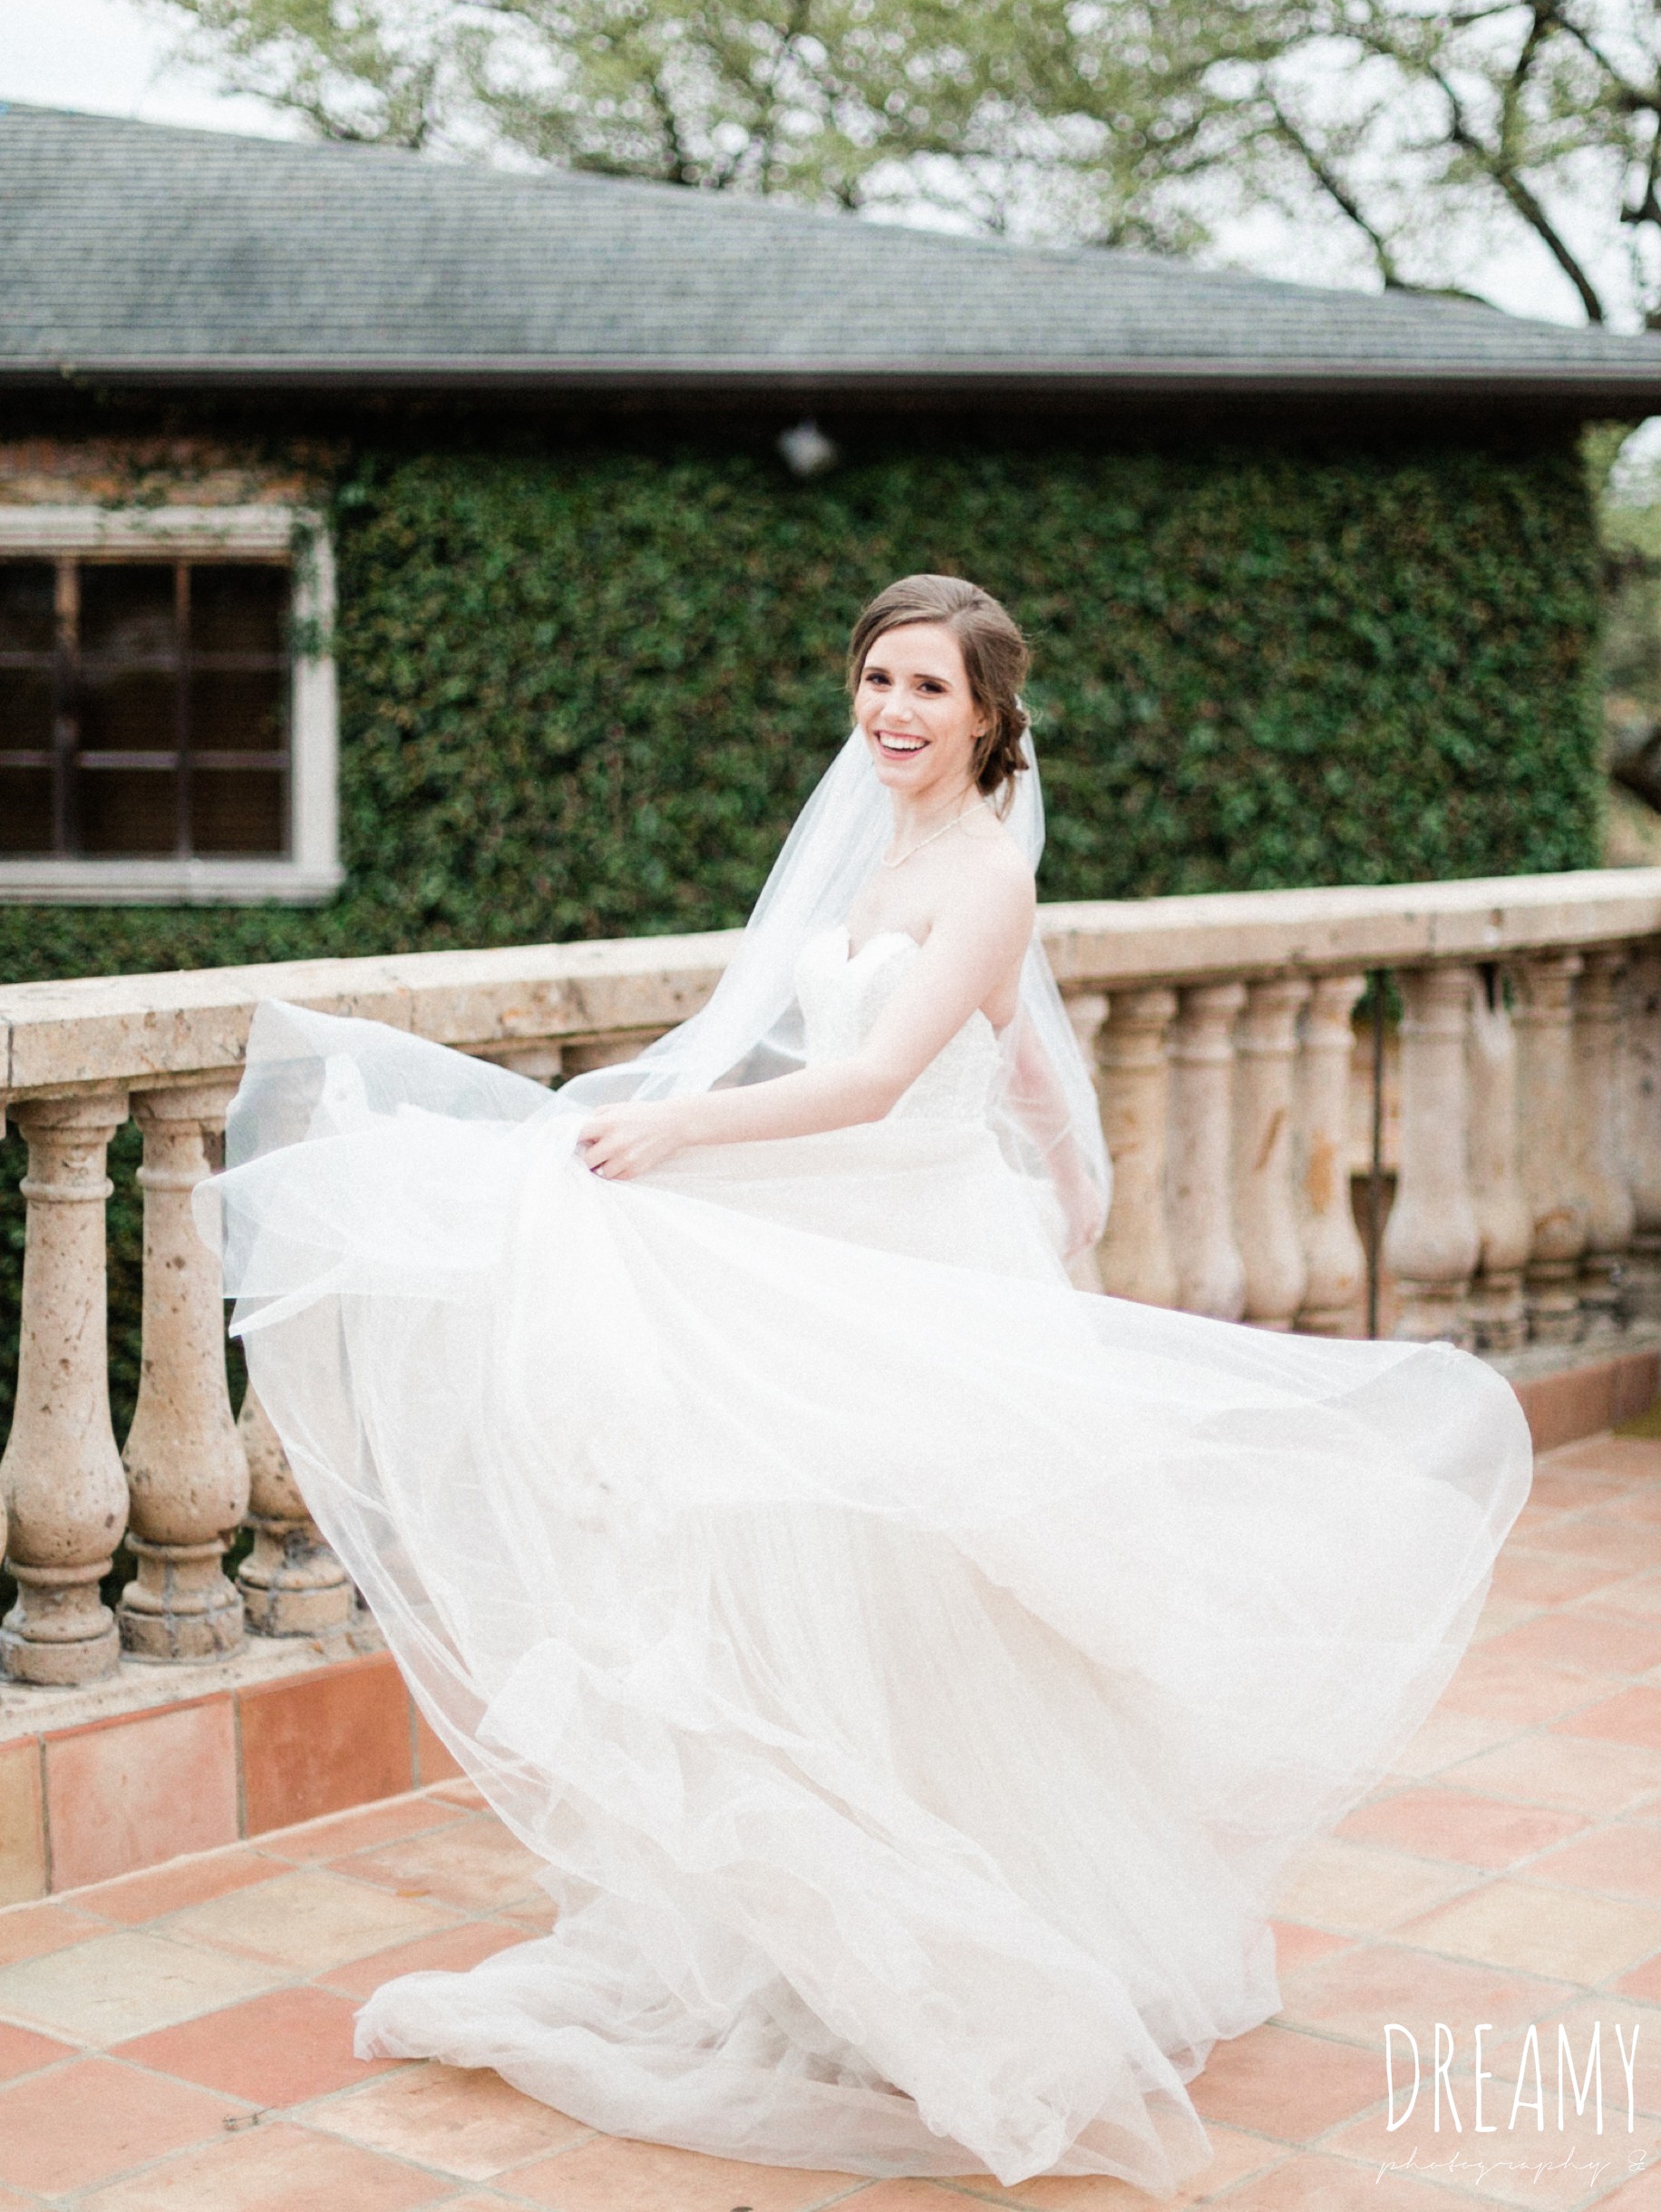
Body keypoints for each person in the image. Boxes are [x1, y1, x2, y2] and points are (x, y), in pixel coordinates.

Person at [208, 573, 1531, 2199]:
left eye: (927, 688)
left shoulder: (982, 874)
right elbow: (1019, 1064)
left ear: (988, 715)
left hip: (917, 1246)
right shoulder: (889, 851)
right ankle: (832, 1946)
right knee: (820, 1571)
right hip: (882, 1221)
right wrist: (1068, 1184)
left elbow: (882, 1075)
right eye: (876, 680)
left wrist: (691, 1135)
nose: (892, 711)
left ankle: (987, 1943)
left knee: (929, 1599)